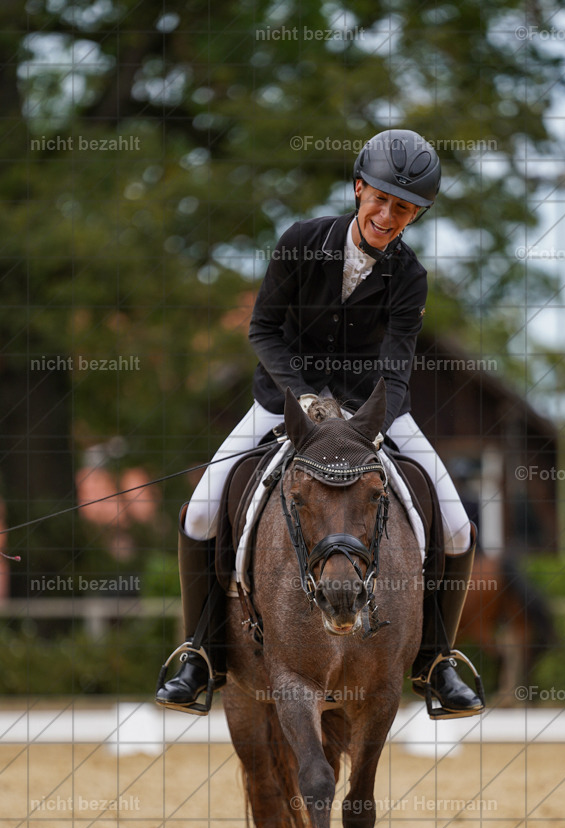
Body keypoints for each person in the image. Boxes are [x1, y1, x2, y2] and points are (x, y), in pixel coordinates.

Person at [156, 129, 484, 719]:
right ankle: (200, 654)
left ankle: (438, 662)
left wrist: (373, 419)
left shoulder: (409, 277)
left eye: (403, 207)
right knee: (202, 511)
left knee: (458, 528)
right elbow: (264, 331)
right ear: (359, 188)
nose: (388, 214)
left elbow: (399, 358)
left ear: (416, 215)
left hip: (370, 413)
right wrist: (303, 396)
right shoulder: (302, 241)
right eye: (380, 198)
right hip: (284, 403)